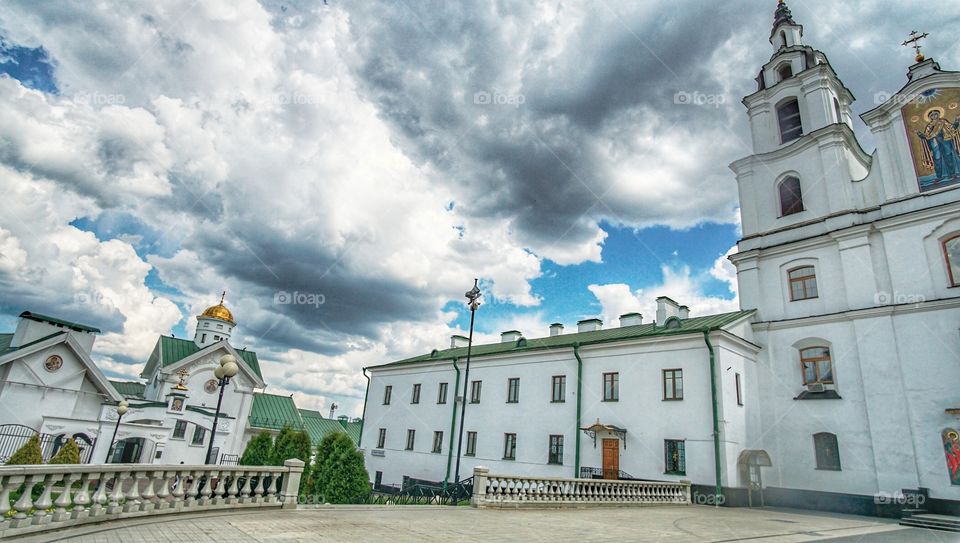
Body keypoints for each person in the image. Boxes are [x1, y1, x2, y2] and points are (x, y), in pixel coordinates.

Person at [916, 108, 960, 181]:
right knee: (937, 158)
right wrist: (919, 133)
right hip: (935, 142)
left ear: (938, 115)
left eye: (935, 114)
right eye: (932, 115)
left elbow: (951, 128)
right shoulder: (929, 126)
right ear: (930, 117)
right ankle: (939, 176)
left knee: (949, 156)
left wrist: (956, 121)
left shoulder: (943, 121)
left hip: (945, 140)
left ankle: (952, 173)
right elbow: (926, 136)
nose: (934, 116)